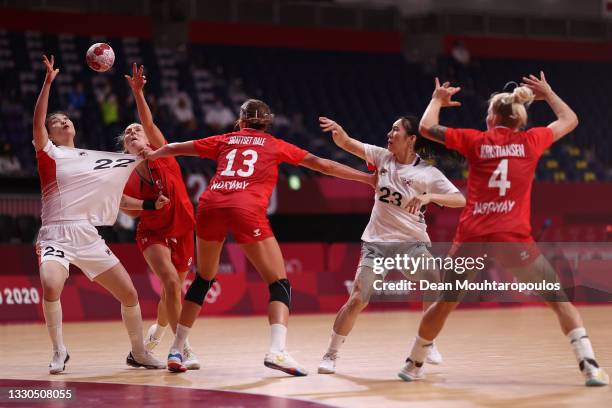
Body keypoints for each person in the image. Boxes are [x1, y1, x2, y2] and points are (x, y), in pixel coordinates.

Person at [398, 75, 609, 386]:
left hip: (472, 236)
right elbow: (570, 119)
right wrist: (549, 93)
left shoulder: (476, 140)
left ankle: (413, 364)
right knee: (558, 299)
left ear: (493, 117)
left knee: (445, 301)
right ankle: (589, 366)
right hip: (512, 238)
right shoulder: (531, 140)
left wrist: (437, 100)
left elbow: (427, 128)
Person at [140, 99, 376, 374]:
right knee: (279, 283)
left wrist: (154, 155)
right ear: (267, 124)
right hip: (246, 209)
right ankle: (277, 352)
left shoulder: (225, 139)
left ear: (240, 122)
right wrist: (366, 179)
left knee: (203, 279)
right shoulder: (274, 144)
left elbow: (176, 148)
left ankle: (177, 350)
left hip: (210, 205)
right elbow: (323, 165)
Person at [33, 55, 165, 374]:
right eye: (56, 122)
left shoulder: (92, 160)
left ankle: (138, 352)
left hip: (87, 234)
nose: (63, 122)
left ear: (74, 126)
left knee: (130, 294)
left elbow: (119, 199)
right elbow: (37, 123)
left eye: (66, 120)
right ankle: (59, 350)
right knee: (51, 285)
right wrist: (48, 83)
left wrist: (148, 205)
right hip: (55, 234)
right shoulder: (49, 153)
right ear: (49, 133)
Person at [316, 116, 465, 374]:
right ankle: (331, 353)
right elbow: (348, 144)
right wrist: (340, 134)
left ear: (411, 139)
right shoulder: (382, 157)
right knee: (358, 299)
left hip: (411, 244)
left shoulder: (427, 173)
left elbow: (459, 199)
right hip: (377, 243)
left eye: (395, 130)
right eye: (390, 128)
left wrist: (430, 195)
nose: (389, 133)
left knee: (433, 280)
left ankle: (427, 343)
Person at [120, 64, 200, 369]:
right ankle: (181, 349)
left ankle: (155, 335)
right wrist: (149, 206)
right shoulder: (125, 175)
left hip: (182, 229)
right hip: (152, 232)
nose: (132, 132)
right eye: (127, 134)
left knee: (173, 293)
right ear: (125, 147)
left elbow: (148, 121)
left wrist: (138, 92)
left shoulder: (163, 151)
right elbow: (125, 208)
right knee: (169, 281)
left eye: (135, 130)